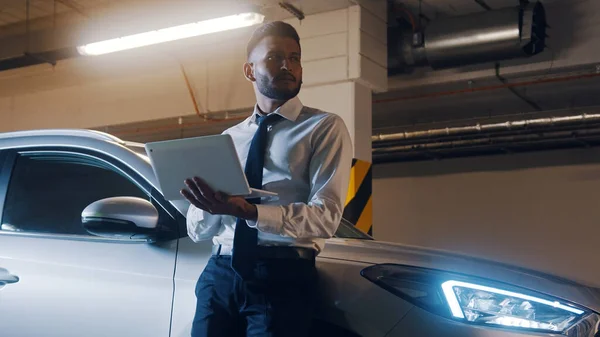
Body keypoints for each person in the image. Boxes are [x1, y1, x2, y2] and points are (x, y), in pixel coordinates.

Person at [181, 21, 352, 337]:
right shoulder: (228, 139)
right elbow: (196, 231)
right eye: (275, 57)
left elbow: (326, 217)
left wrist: (250, 212)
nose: (288, 65)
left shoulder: (324, 128)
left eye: (295, 57)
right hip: (219, 274)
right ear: (249, 71)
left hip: (284, 275)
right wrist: (208, 205)